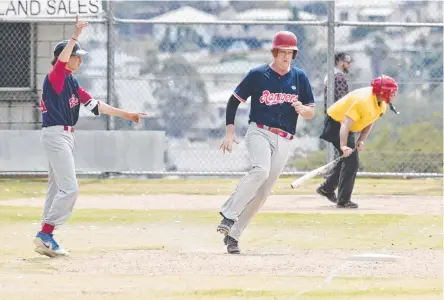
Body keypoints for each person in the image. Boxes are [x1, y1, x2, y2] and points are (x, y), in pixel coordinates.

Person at [34, 16, 146, 258]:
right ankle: (45, 233)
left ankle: (45, 236)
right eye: (77, 55)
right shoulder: (55, 77)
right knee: (70, 189)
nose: (80, 59)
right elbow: (61, 62)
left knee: (56, 190)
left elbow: (95, 106)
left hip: (63, 137)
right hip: (56, 135)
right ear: (65, 57)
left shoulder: (71, 82)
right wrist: (74, 36)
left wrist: (126, 114)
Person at [217, 31, 315, 254]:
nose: (286, 57)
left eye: (290, 53)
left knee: (263, 193)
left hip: (285, 139)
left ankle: (233, 236)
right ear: (274, 52)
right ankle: (229, 215)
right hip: (259, 131)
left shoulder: (300, 77)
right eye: (283, 52)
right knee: (260, 170)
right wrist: (230, 130)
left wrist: (304, 110)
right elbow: (234, 101)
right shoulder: (257, 75)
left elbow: (311, 111)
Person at [316, 75, 399, 208]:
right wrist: (343, 146)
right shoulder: (363, 101)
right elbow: (345, 124)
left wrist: (361, 141)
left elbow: (369, 121)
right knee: (352, 162)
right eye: (390, 91)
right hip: (336, 123)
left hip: (348, 127)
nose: (393, 94)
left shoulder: (381, 104)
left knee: (347, 160)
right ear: (382, 92)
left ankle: (327, 188)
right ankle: (343, 201)